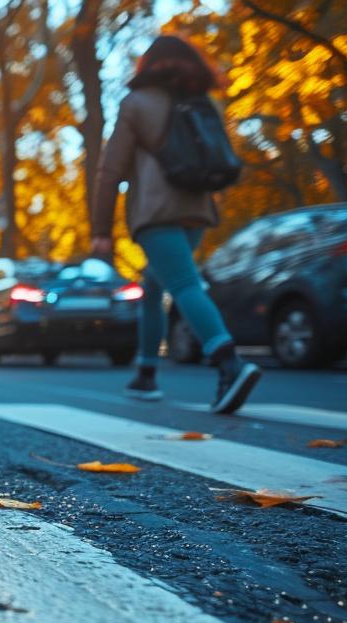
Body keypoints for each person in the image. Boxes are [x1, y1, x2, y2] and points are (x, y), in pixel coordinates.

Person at [91, 34, 260, 415]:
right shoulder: (204, 103)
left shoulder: (136, 104)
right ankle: (146, 373)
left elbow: (109, 172)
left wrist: (101, 229)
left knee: (183, 284)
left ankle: (229, 363)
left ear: (149, 65)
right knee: (154, 287)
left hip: (156, 213)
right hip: (196, 210)